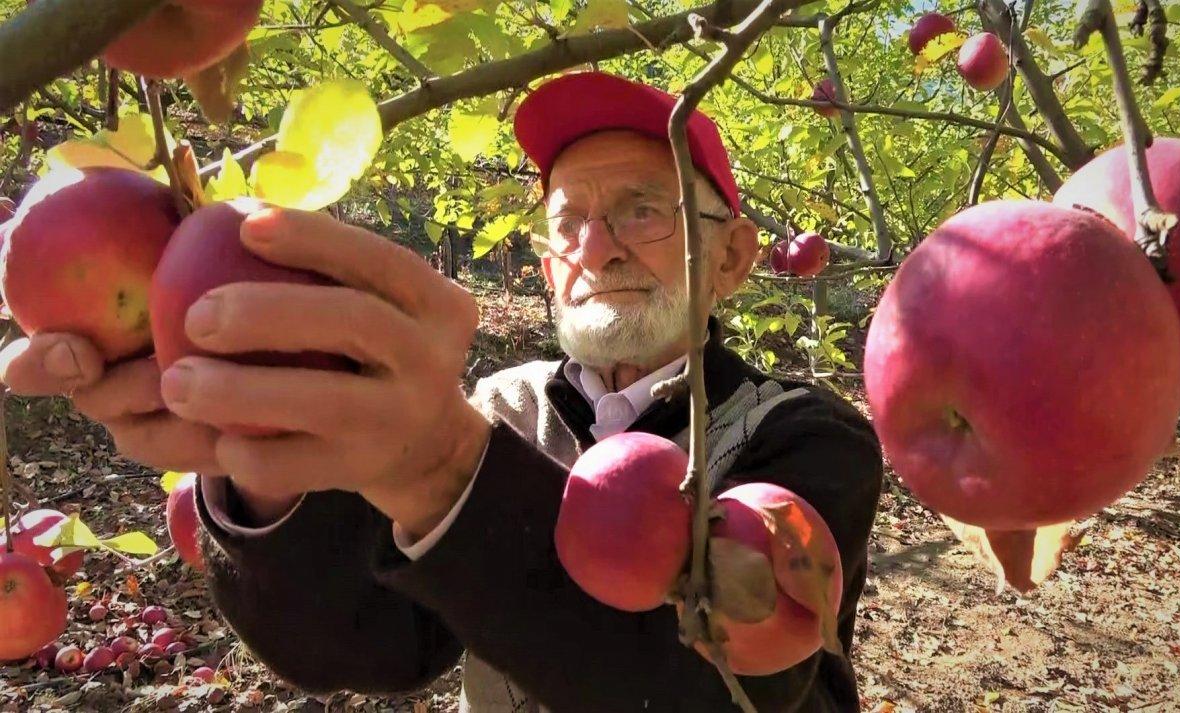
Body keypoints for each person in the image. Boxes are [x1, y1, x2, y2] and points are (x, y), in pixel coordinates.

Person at [0, 71, 882, 712]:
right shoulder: (504, 404)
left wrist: (446, 472)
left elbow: (755, 694)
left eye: (646, 211)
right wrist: (268, 460)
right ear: (546, 269)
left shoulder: (805, 438)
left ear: (730, 256)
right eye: (569, 222)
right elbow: (367, 646)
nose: (600, 247)